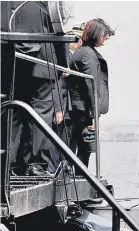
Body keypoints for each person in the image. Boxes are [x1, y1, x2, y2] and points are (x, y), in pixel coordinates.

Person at [3, 1, 68, 176]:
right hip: (42, 60)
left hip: (8, 60)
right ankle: (33, 164)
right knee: (41, 113)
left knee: (11, 112)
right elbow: (58, 26)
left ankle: (6, 163)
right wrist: (64, 63)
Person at [68, 18, 115, 173]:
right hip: (84, 109)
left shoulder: (82, 52)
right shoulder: (88, 55)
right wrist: (93, 114)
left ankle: (80, 179)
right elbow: (91, 85)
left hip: (80, 106)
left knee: (80, 148)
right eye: (104, 35)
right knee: (84, 149)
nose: (105, 39)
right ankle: (81, 181)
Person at [50, 22, 86, 172]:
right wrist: (58, 109)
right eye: (76, 39)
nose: (78, 43)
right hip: (63, 107)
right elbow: (56, 86)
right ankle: (55, 171)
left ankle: (65, 171)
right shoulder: (63, 58)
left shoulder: (76, 59)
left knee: (70, 144)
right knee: (58, 143)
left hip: (72, 109)